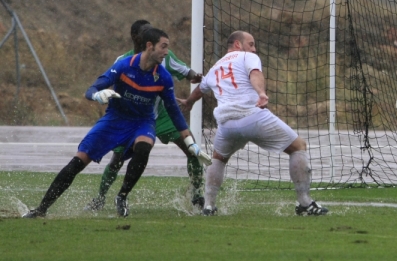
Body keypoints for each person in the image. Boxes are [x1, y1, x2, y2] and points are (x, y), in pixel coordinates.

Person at [23, 28, 206, 218]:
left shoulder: (164, 77)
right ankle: (41, 209)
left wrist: (189, 142)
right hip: (114, 120)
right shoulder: (123, 65)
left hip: (142, 122)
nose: (167, 52)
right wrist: (96, 94)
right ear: (149, 46)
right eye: (164, 47)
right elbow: (93, 87)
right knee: (78, 161)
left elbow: (174, 111)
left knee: (144, 147)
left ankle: (122, 196)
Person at [181, 31, 328, 216]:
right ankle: (305, 203)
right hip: (252, 116)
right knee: (298, 146)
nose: (254, 48)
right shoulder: (247, 57)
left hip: (226, 124)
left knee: (218, 158)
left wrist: (189, 102)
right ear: (237, 44)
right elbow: (255, 74)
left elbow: (200, 90)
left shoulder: (215, 68)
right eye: (251, 44)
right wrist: (261, 93)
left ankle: (209, 206)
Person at [85, 20, 207, 212]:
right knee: (117, 159)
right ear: (138, 38)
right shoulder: (123, 61)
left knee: (192, 150)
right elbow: (113, 85)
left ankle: (197, 196)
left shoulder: (164, 56)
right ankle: (100, 198)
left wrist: (198, 77)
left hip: (163, 115)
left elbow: (185, 71)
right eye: (147, 32)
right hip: (134, 118)